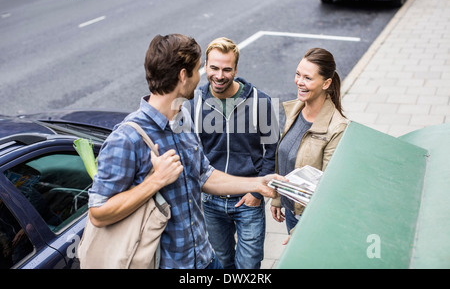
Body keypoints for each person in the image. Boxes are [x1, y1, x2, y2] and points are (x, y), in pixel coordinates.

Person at [87, 34, 281, 269]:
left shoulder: (183, 116)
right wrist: (155, 181)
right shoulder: (128, 138)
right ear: (182, 75)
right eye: (199, 69)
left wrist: (257, 183)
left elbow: (204, 175)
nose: (202, 76)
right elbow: (98, 213)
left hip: (205, 259)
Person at [189, 37, 279, 269]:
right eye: (214, 68)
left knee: (248, 266)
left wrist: (256, 194)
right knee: (220, 263)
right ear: (205, 66)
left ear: (236, 69)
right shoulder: (194, 103)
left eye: (227, 69)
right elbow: (191, 152)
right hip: (211, 202)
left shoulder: (260, 101)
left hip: (248, 200)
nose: (219, 75)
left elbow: (272, 150)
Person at [270, 48, 348, 240]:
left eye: (307, 78)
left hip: (310, 219)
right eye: (298, 74)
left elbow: (328, 188)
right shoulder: (295, 109)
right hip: (291, 211)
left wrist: (300, 232)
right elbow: (285, 156)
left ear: (326, 83)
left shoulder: (337, 128)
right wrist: (278, 198)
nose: (299, 82)